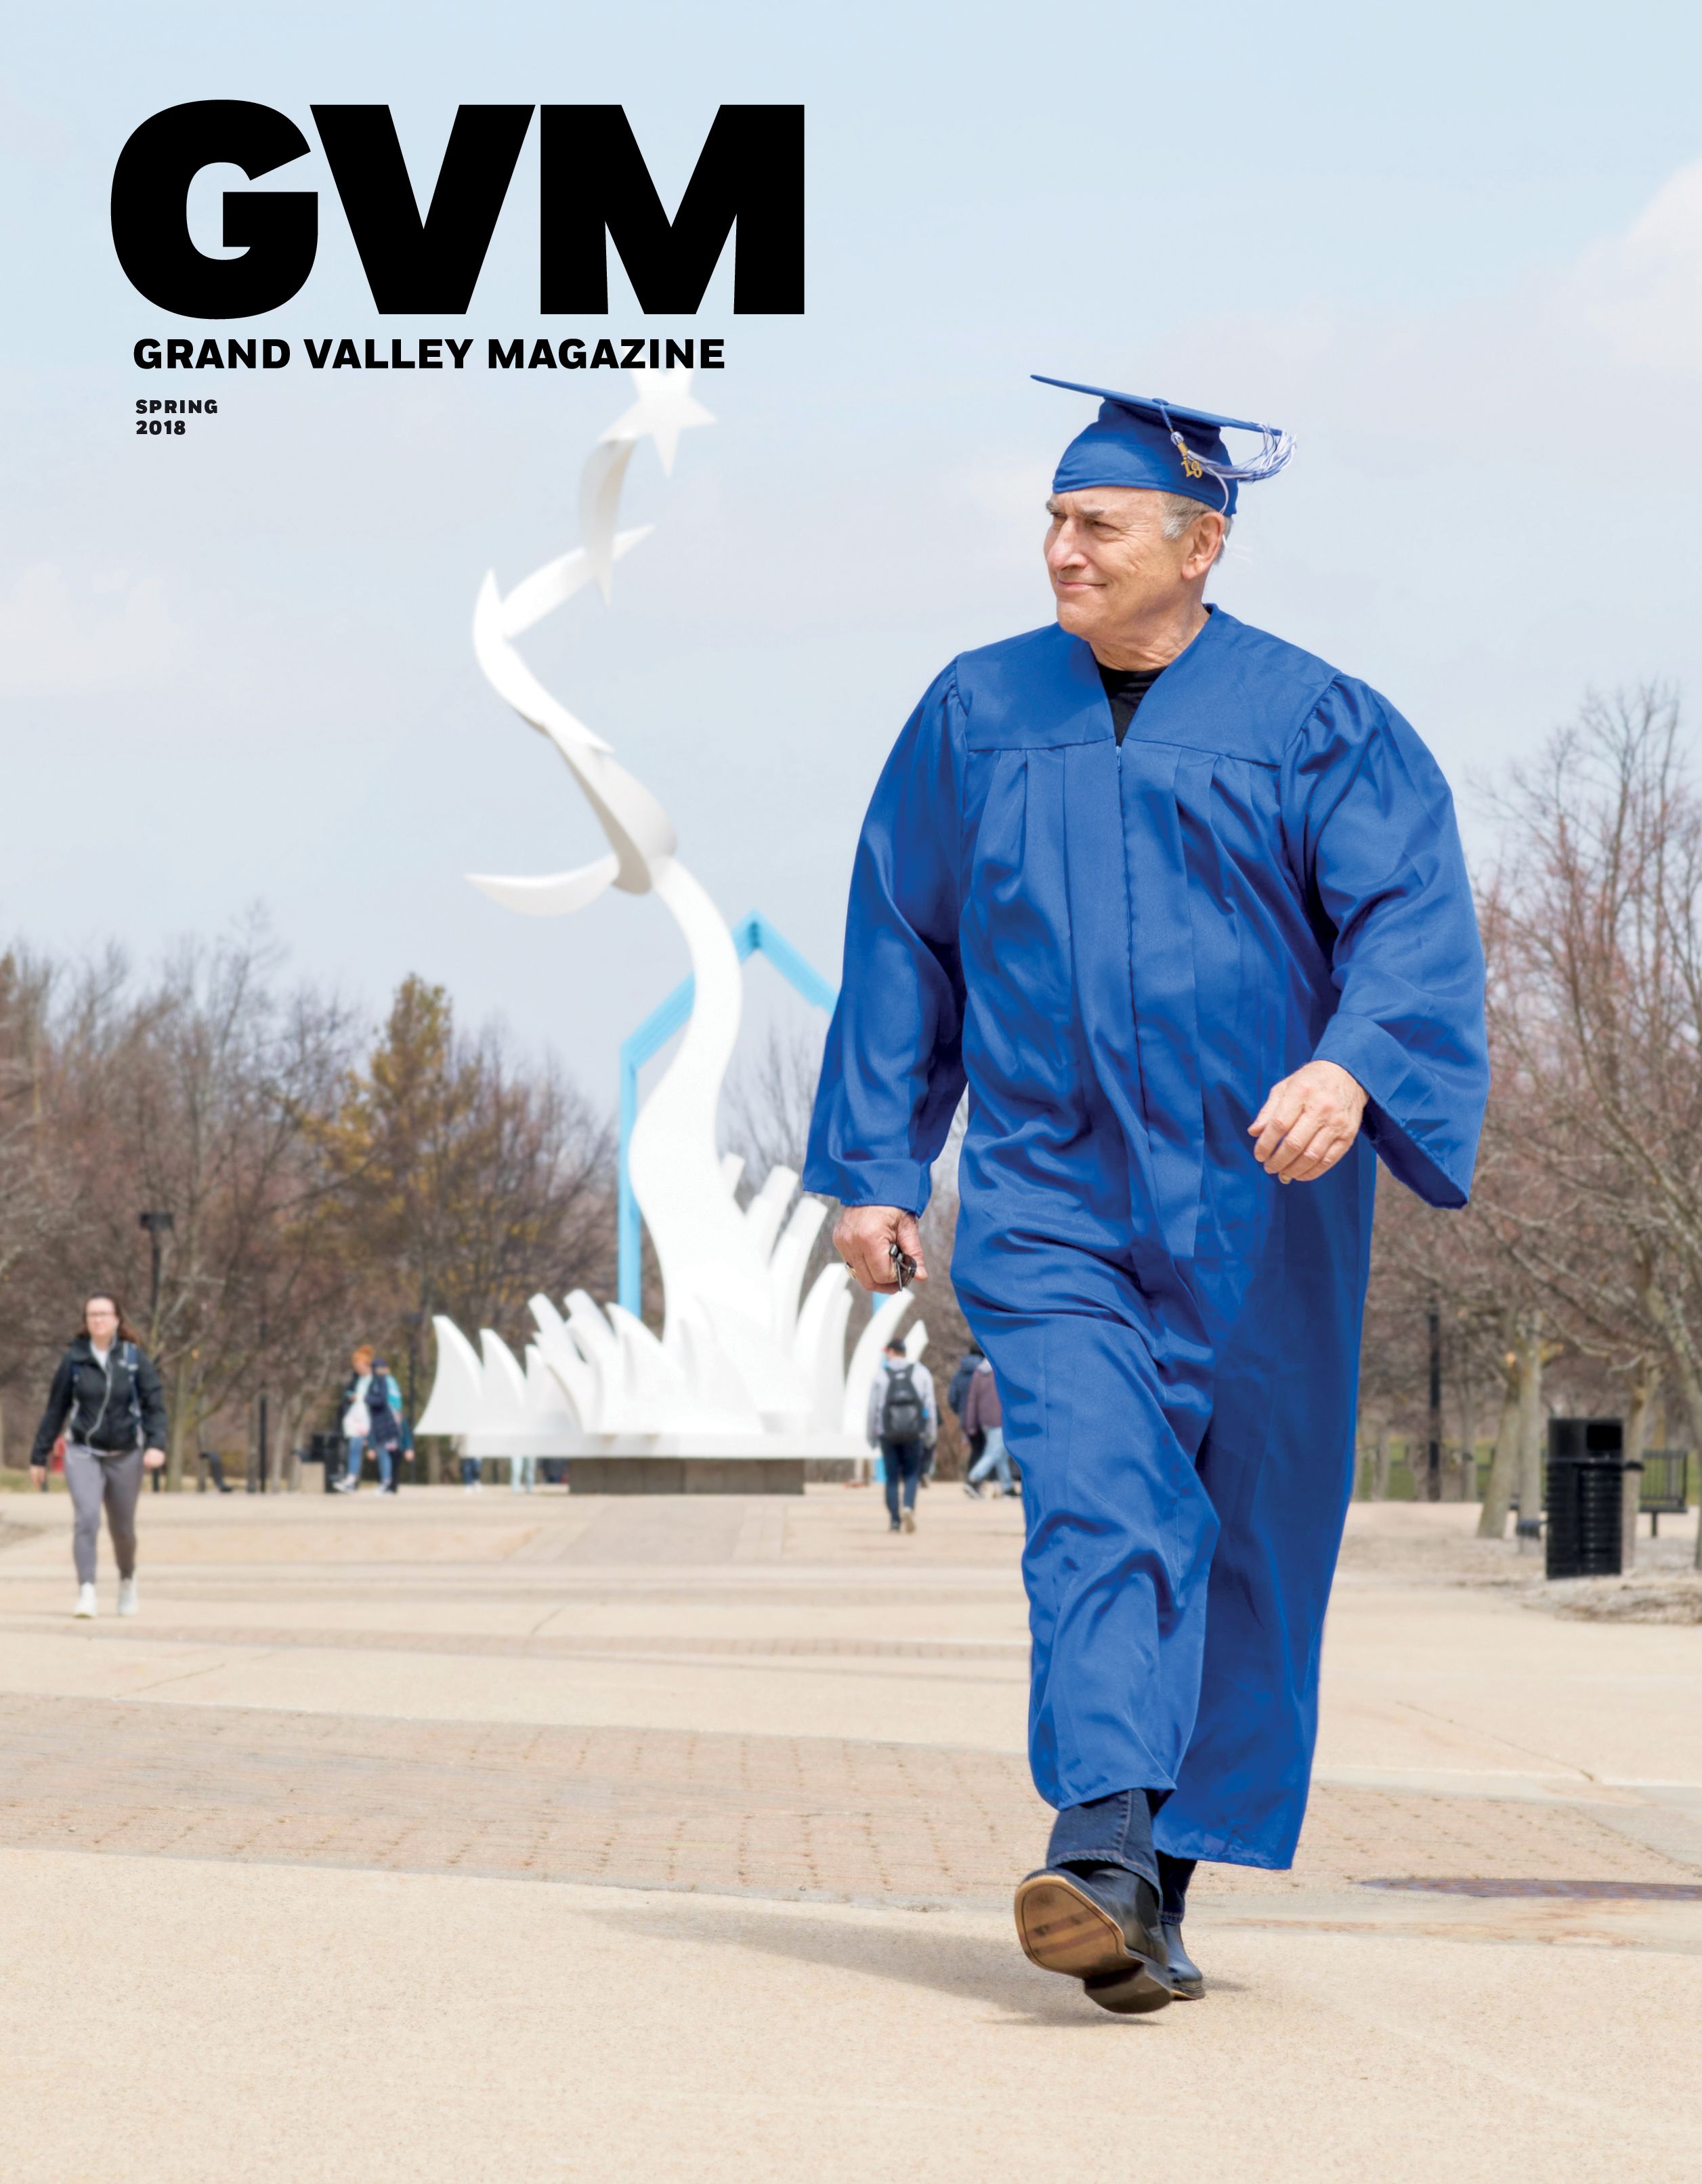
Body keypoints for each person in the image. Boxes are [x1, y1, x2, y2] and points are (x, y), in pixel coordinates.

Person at [806, 376, 1488, 2014]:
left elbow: (1408, 918)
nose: (1061, 549)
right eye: (1052, 520)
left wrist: (1351, 1067)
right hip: (1048, 1186)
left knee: (1248, 1531)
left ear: (1200, 544)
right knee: (1101, 1499)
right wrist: (875, 1165)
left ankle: (1150, 1892)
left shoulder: (1315, 721)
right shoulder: (976, 712)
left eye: (1096, 524)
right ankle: (1100, 1834)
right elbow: (902, 937)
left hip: (1261, 1191)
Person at [30, 1292, 169, 1619]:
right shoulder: (74, 1361)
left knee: (123, 1529)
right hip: (83, 1451)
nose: (99, 1320)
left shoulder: (133, 1359)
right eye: (93, 1314)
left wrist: (156, 1444)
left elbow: (154, 1405)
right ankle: (87, 1591)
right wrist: (39, 1456)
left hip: (126, 1453)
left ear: (117, 1319)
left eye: (105, 1314)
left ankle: (127, 1580)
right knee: (87, 1518)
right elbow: (56, 1410)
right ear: (86, 1321)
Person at [865, 1337, 936, 1533]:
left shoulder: (881, 1376)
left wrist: (871, 1436)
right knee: (912, 1474)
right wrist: (930, 1434)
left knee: (892, 1477)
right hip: (914, 1433)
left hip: (887, 1433)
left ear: (891, 1352)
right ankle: (908, 1507)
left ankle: (895, 1521)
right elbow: (930, 1406)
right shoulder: (921, 1372)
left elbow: (872, 1409)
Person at [335, 1347, 411, 1494]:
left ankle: (386, 1482)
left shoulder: (381, 1379)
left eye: (360, 1366)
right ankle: (351, 1479)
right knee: (355, 1445)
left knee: (382, 1449)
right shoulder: (359, 1379)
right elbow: (353, 1393)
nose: (358, 1370)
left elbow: (390, 1399)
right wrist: (352, 1396)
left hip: (377, 1417)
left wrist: (395, 1413)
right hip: (361, 1418)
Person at [960, 1356, 1017, 1497]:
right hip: (1000, 1418)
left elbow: (972, 1399)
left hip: (985, 1419)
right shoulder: (1002, 1369)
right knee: (994, 1453)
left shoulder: (979, 1372)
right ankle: (973, 1479)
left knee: (1001, 1454)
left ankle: (1007, 1487)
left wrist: (971, 1423)